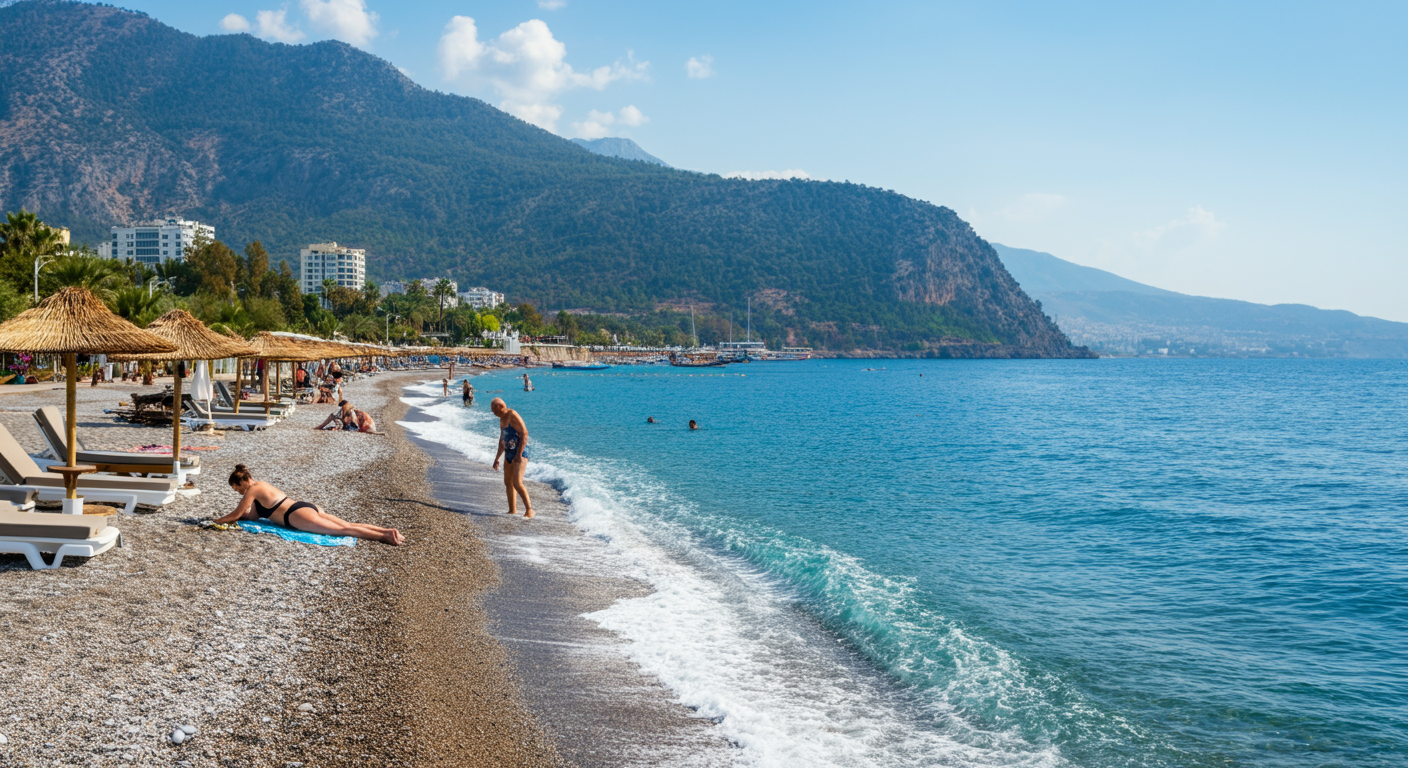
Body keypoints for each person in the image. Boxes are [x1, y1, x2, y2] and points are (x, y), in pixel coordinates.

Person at [215, 464, 403, 545]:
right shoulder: (260, 488)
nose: (238, 493)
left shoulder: (253, 489)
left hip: (295, 515)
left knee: (344, 530)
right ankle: (387, 531)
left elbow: (235, 513)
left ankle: (384, 537)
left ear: (243, 482)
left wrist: (215, 521)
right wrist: (242, 518)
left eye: (236, 488)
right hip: (303, 508)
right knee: (347, 525)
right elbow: (253, 516)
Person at [491, 398, 534, 519]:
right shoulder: (502, 418)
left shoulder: (512, 414)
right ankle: (512, 510)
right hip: (509, 452)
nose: (494, 413)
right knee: (508, 482)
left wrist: (519, 455)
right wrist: (497, 458)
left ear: (500, 406)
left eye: (494, 411)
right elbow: (502, 440)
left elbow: (525, 433)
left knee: (517, 482)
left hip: (520, 452)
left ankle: (530, 510)